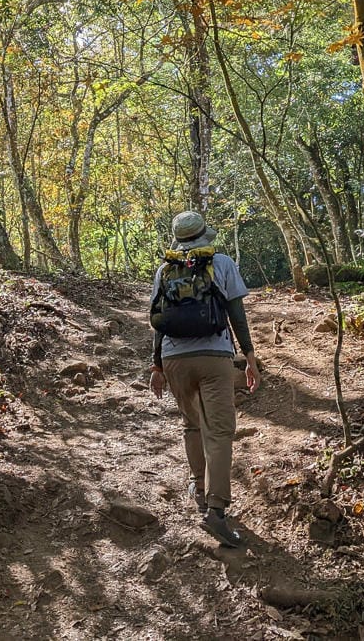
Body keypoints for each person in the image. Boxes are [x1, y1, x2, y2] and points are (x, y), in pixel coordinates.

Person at [148, 210, 259, 547]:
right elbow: (237, 315)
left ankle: (199, 489)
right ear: (204, 237)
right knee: (220, 431)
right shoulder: (221, 262)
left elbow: (158, 321)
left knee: (192, 424)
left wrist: (156, 366)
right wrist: (250, 358)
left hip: (173, 359)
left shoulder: (164, 269)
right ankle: (217, 512)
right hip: (215, 357)